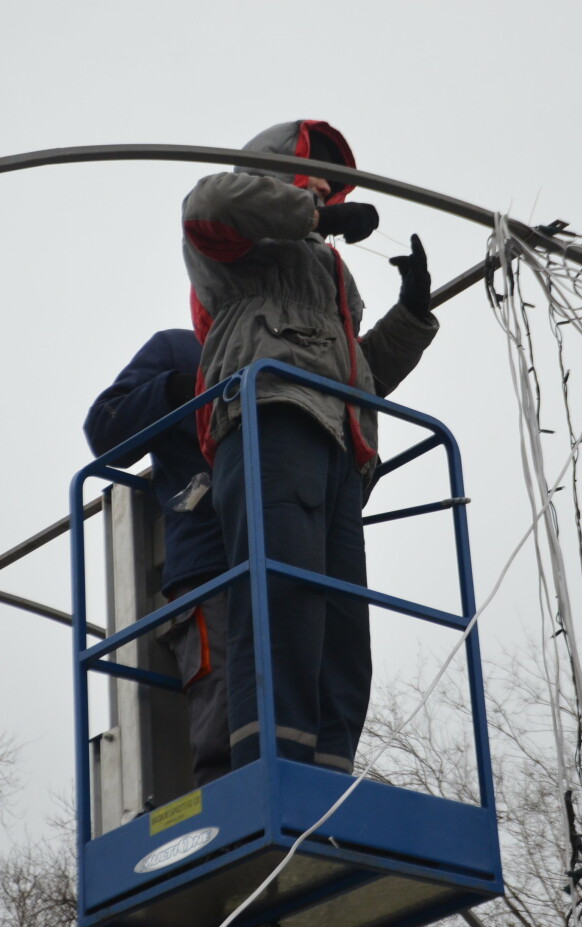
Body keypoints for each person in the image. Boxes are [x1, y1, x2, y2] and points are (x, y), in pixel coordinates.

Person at [181, 119, 438, 773]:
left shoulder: (332, 277)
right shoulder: (237, 243)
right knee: (284, 599)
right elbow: (206, 203)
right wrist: (308, 210)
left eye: (333, 177)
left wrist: (411, 312)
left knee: (344, 627)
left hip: (340, 451)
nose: (326, 185)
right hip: (271, 421)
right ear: (279, 173)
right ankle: (273, 762)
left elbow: (361, 376)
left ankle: (329, 767)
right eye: (312, 170)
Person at [83, 329, 231, 787]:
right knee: (226, 704)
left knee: (304, 702)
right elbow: (105, 429)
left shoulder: (306, 353)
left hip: (297, 562)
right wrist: (175, 389)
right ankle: (228, 822)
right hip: (212, 568)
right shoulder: (183, 349)